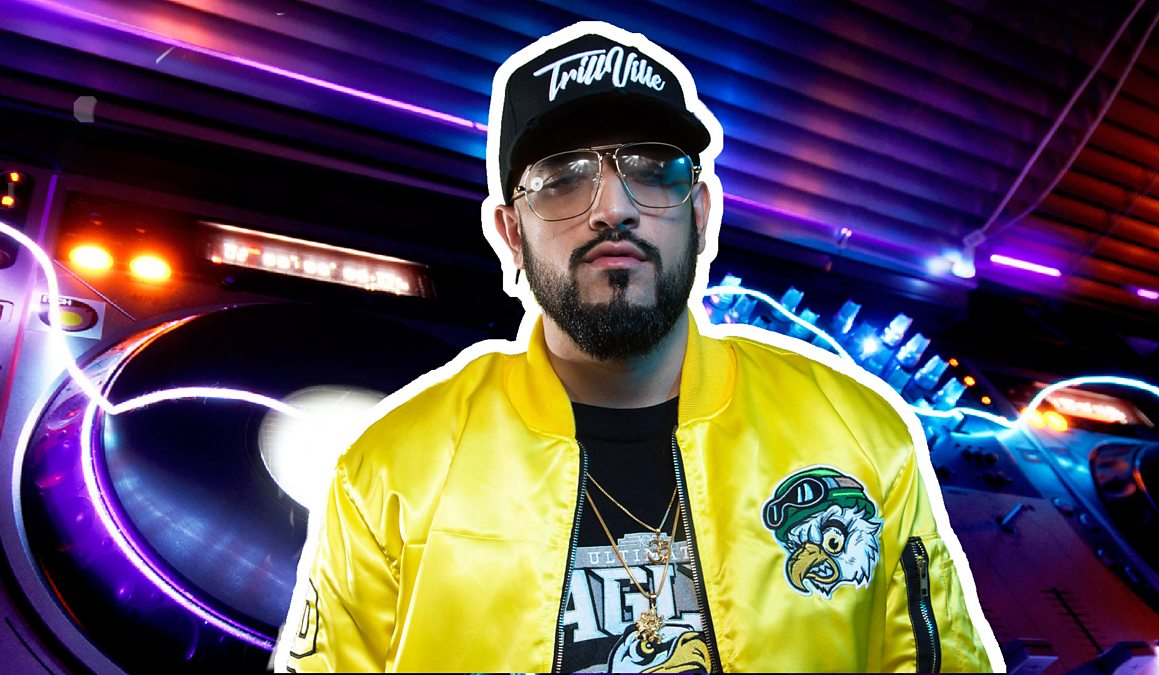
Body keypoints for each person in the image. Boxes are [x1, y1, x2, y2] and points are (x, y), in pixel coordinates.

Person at [279, 21, 1003, 673]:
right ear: (510, 233)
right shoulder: (391, 469)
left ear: (702, 213)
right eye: (562, 179)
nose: (613, 207)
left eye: (655, 169)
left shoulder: (860, 440)